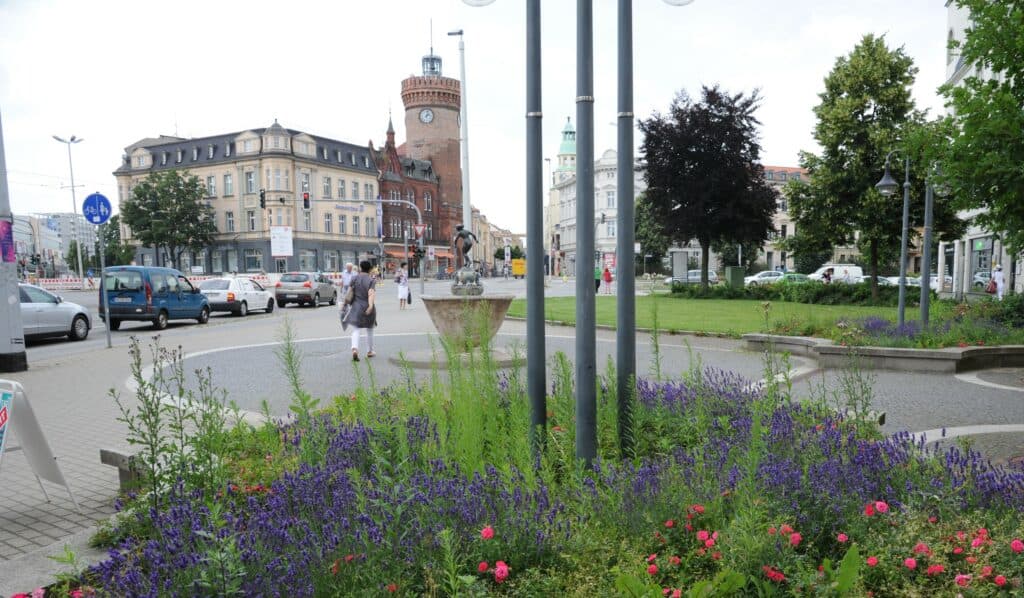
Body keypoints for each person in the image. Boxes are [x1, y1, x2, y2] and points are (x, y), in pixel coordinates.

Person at [343, 261, 377, 361]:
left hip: (356, 306)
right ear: (370, 269)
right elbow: (371, 293)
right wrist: (370, 306)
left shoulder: (354, 278)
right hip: (367, 306)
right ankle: (370, 351)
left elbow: (349, 292)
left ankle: (354, 349)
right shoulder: (371, 280)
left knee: (356, 329)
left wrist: (345, 303)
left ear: (360, 268)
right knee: (369, 329)